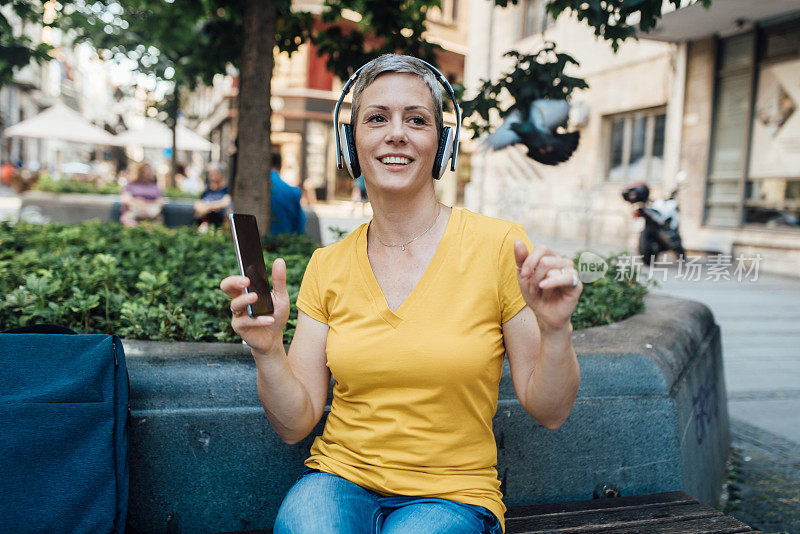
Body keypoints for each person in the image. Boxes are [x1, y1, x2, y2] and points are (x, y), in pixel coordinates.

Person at [220, 55, 582, 534]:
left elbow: (551, 410)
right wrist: (267, 352)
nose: (396, 133)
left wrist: (556, 330)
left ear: (442, 143)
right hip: (340, 478)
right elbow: (295, 423)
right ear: (351, 144)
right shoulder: (328, 265)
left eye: (416, 119)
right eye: (376, 118)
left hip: (453, 496)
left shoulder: (499, 246)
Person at [270, 152, 306, 235]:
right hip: (285, 241)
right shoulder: (292, 192)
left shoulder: (251, 189)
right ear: (280, 166)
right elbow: (300, 226)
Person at [119, 162, 163, 227]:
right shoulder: (130, 185)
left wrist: (147, 205)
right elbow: (126, 199)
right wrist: (140, 204)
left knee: (154, 226)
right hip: (133, 214)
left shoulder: (155, 186)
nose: (148, 173)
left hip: (152, 215)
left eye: (150, 170)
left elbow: (160, 201)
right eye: (145, 170)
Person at [194, 162, 232, 232]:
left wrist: (207, 206)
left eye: (215, 174)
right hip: (205, 221)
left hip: (221, 223)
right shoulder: (207, 190)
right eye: (210, 174)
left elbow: (226, 203)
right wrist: (215, 206)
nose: (212, 177)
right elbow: (197, 205)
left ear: (222, 175)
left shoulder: (227, 190)